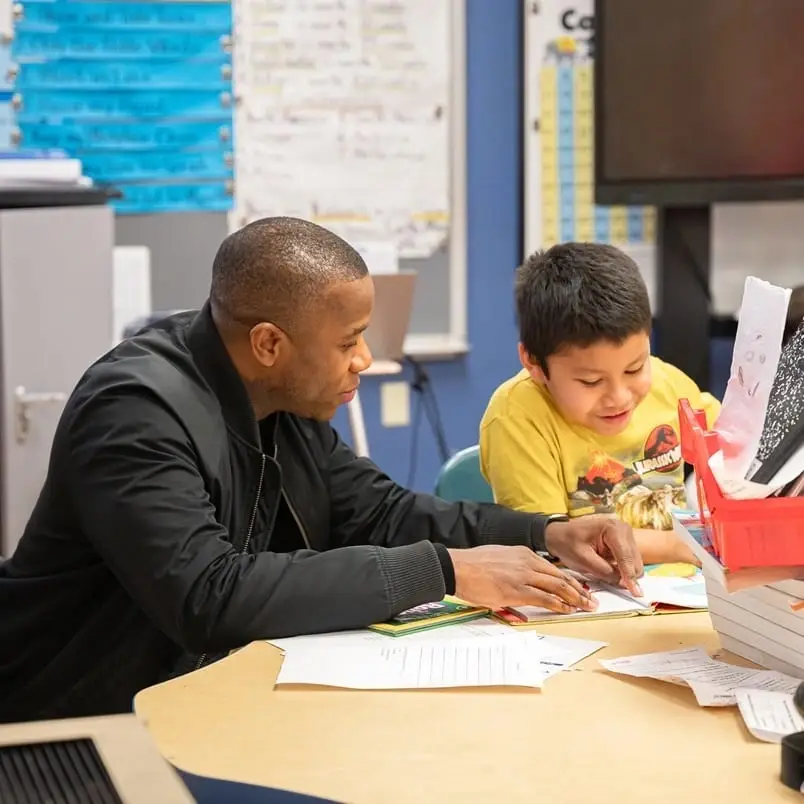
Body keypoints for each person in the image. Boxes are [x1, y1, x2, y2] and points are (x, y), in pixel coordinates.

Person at [0, 219, 642, 723]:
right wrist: (444, 569)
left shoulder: (282, 396)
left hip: (202, 700)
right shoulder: (134, 412)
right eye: (348, 341)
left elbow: (380, 512)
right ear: (270, 344)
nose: (364, 358)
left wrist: (546, 532)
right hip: (71, 730)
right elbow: (207, 595)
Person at [480, 242, 721, 566]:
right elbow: (556, 543)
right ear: (533, 362)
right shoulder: (516, 418)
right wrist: (680, 546)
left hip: (686, 590)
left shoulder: (670, 385)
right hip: (589, 601)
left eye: (635, 367)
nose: (620, 396)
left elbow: (736, 451)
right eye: (591, 382)